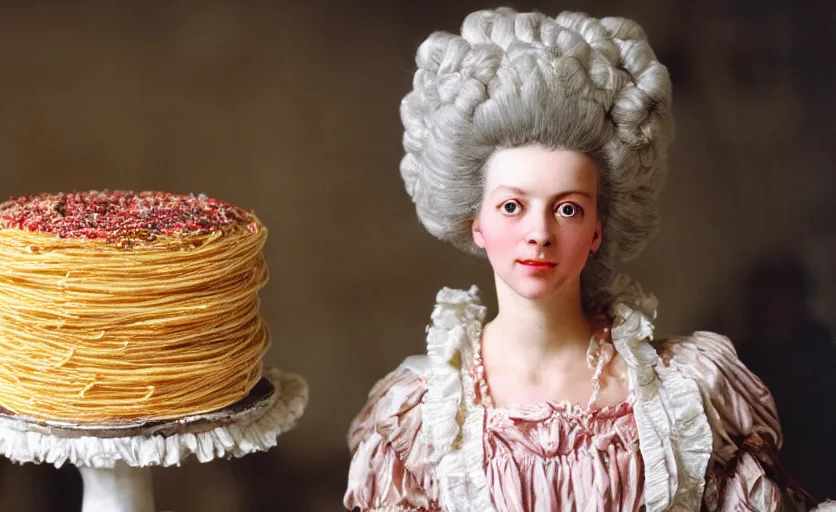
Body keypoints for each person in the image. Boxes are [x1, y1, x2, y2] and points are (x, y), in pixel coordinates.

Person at [344, 8, 819, 511]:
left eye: (567, 208)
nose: (540, 234)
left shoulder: (687, 392)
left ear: (597, 230)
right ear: (475, 223)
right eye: (512, 206)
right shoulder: (422, 414)